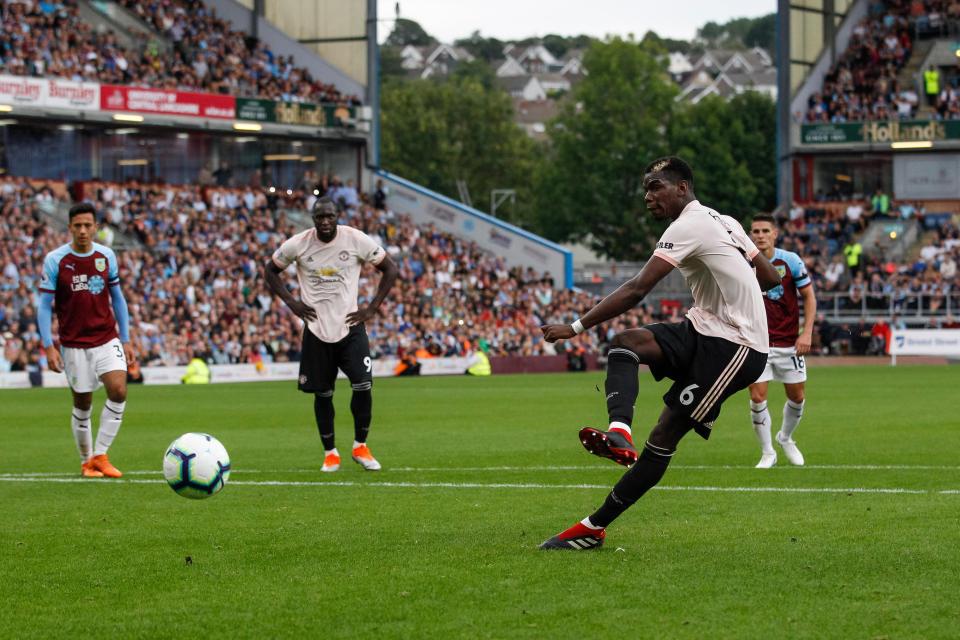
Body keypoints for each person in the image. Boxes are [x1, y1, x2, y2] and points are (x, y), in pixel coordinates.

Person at [538, 157, 780, 550]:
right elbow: (770, 276)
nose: (648, 197)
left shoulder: (688, 225)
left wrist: (575, 327)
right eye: (646, 190)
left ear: (682, 188)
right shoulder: (727, 221)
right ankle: (619, 433)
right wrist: (761, 278)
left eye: (656, 187)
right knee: (625, 343)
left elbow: (637, 289)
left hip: (738, 345)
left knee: (665, 435)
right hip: (705, 329)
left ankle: (593, 527)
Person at [264, 197, 398, 472]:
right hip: (316, 329)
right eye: (319, 217)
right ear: (313, 220)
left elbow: (390, 269)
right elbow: (270, 270)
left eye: (329, 216)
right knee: (323, 394)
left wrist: (371, 308)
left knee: (363, 385)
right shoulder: (298, 243)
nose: (325, 222)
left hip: (350, 327)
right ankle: (331, 453)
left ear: (337, 216)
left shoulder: (355, 239)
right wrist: (292, 302)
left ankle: (360, 446)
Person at [37, 203, 134, 479]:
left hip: (106, 337)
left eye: (87, 225)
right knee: (83, 403)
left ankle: (101, 455)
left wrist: (125, 339)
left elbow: (118, 298)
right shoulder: (56, 260)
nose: (82, 231)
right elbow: (44, 306)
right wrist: (48, 345)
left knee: (119, 389)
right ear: (69, 227)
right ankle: (86, 461)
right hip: (74, 344)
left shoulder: (106, 256)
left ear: (95, 227)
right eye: (77, 226)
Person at [746, 214, 817, 468]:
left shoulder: (791, 261)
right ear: (751, 234)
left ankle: (785, 438)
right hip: (757, 342)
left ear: (775, 233)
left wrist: (806, 332)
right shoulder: (743, 262)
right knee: (757, 396)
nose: (760, 235)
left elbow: (809, 297)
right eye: (756, 231)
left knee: (797, 397)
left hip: (789, 343)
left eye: (765, 230)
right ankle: (767, 452)